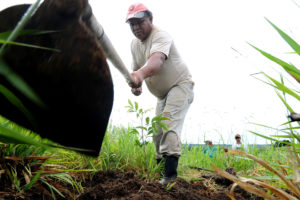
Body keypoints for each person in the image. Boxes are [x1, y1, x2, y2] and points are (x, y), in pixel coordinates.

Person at [125, 3, 194, 185]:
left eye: (139, 22)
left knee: (167, 122)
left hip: (180, 85)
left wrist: (139, 75)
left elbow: (156, 62)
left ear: (150, 19)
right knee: (157, 132)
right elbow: (137, 70)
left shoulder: (161, 36)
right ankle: (159, 175)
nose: (136, 27)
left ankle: (170, 177)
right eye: (132, 24)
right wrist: (136, 86)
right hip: (162, 95)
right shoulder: (134, 44)